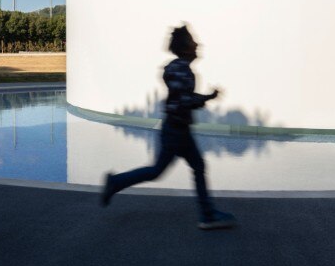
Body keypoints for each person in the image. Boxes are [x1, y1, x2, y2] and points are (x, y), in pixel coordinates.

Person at [100, 25, 237, 230]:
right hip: (176, 131)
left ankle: (116, 183)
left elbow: (181, 96)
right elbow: (183, 100)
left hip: (177, 129)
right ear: (185, 48)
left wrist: (206, 97)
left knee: (173, 169)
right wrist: (206, 98)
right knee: (171, 169)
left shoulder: (178, 68)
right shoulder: (183, 70)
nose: (197, 45)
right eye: (192, 42)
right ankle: (207, 215)